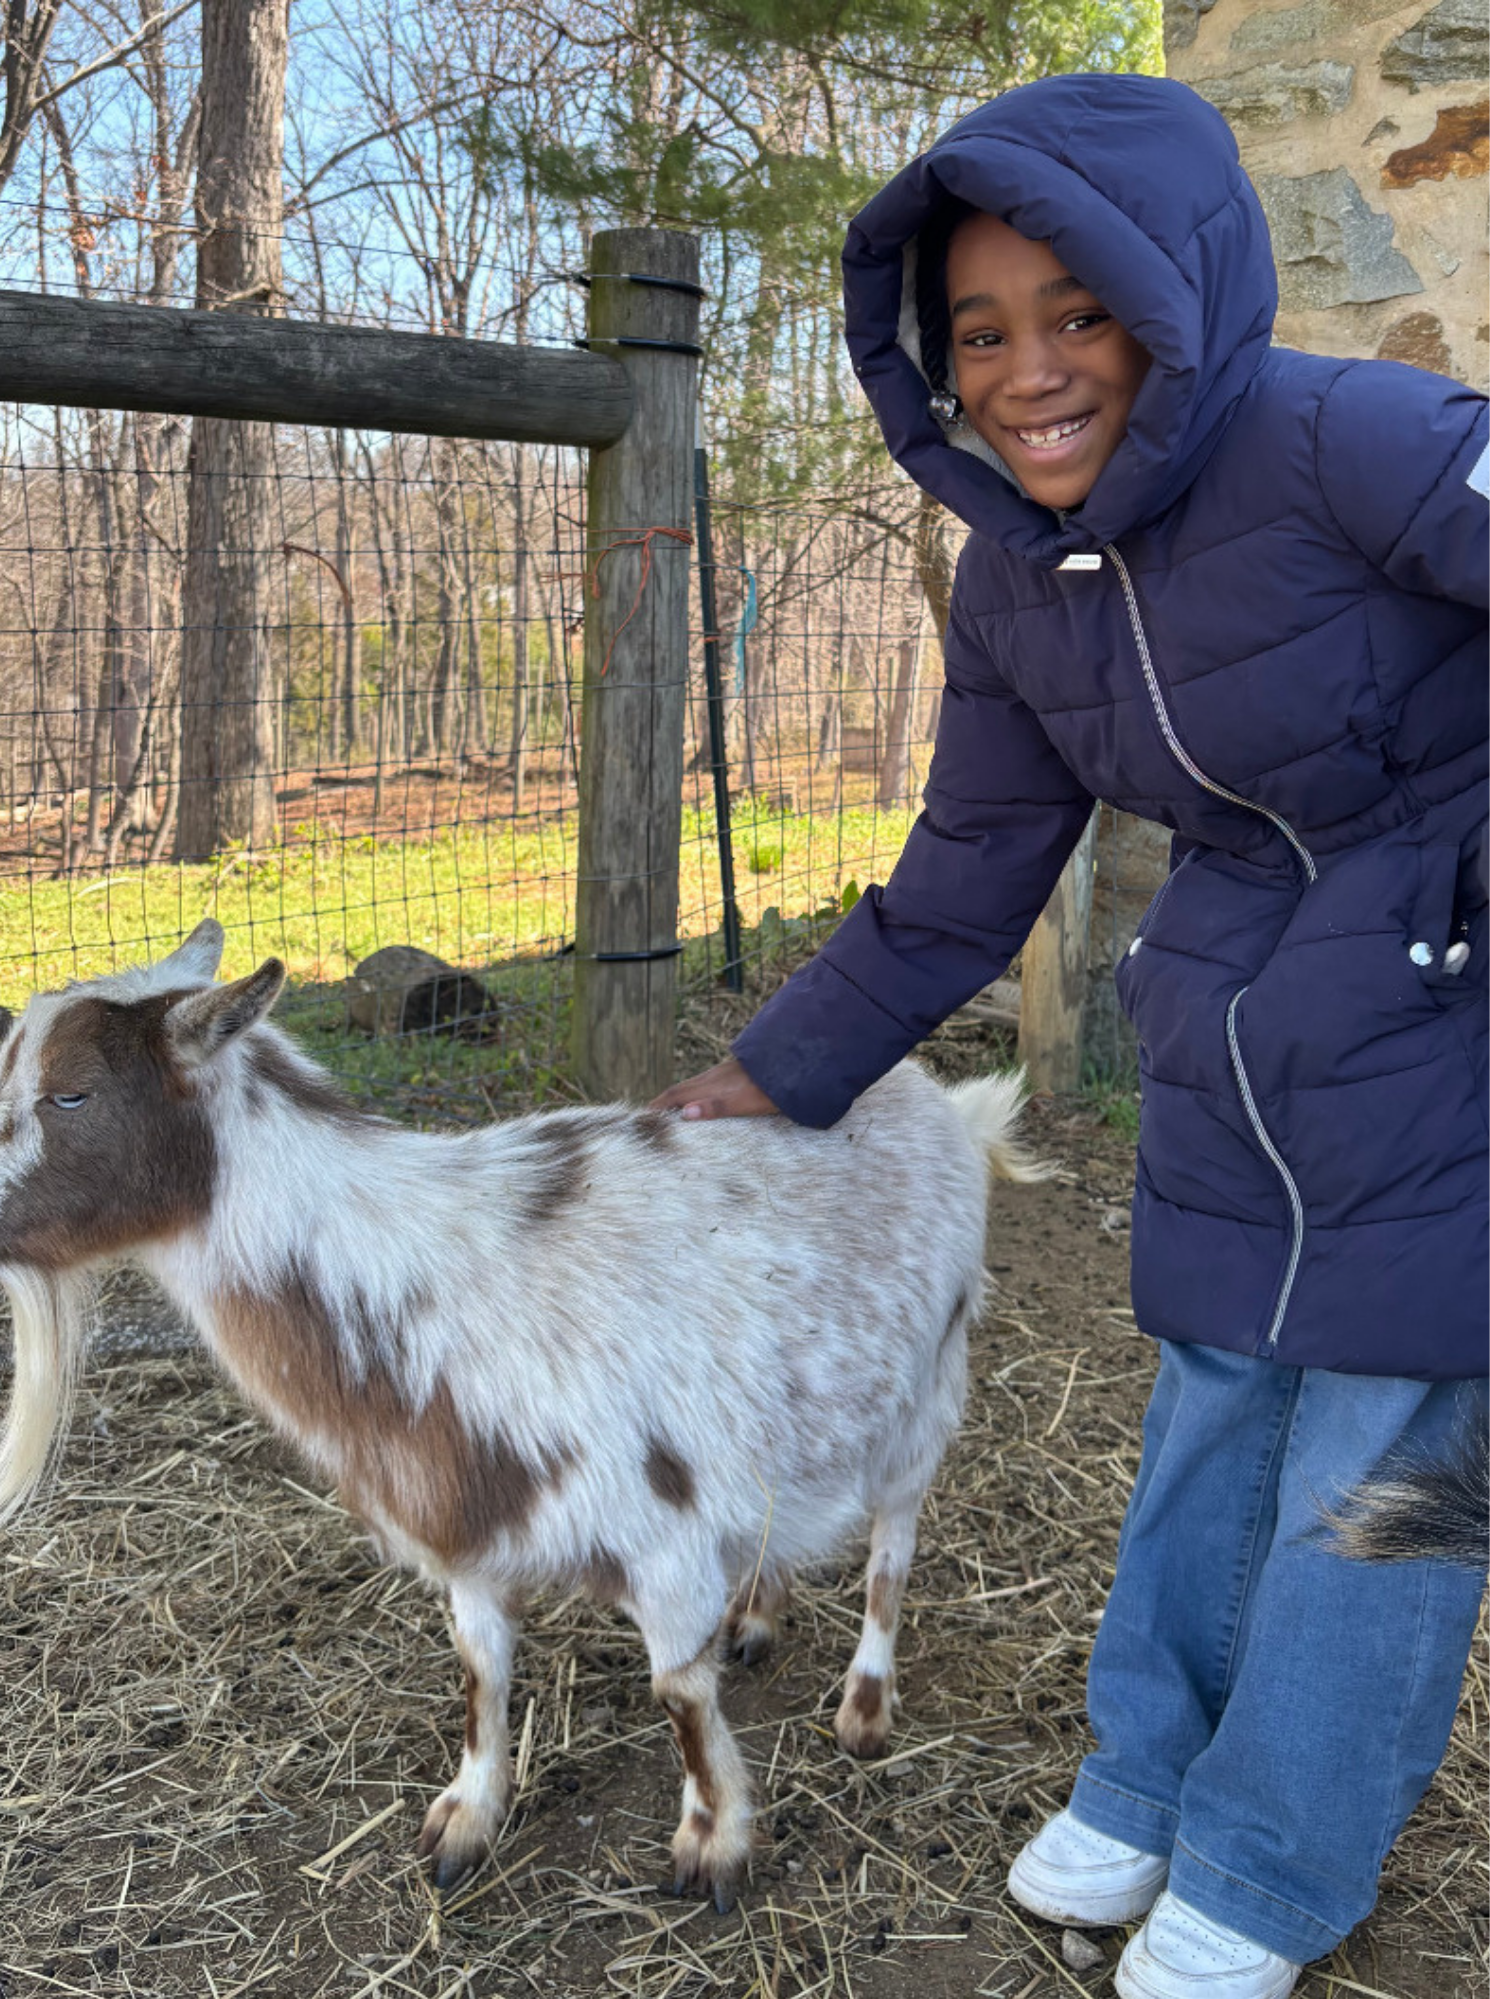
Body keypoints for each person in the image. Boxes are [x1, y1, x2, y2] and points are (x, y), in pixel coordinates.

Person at [653, 71, 1488, 1999]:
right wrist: (768, 1079)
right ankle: (1149, 1772)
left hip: (1440, 1016)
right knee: (1211, 1409)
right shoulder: (1019, 585)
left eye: (1081, 312)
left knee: (1380, 1456)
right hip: (1233, 1024)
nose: (1030, 369)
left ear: (1177, 302)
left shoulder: (1349, 437)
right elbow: (962, 876)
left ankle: (1277, 1864)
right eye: (982, 329)